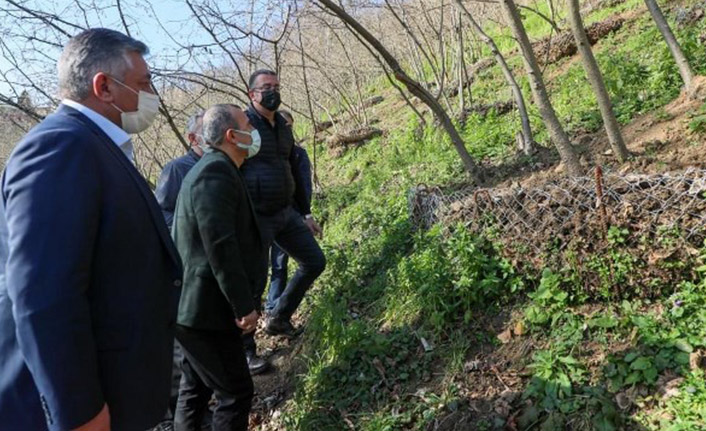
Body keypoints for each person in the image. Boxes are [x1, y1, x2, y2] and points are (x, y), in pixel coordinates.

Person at [0, 28, 182, 431]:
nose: (153, 95)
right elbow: (43, 294)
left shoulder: (98, 147)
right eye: (144, 83)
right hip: (91, 408)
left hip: (121, 389)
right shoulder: (59, 147)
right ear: (104, 87)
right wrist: (78, 411)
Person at [172, 104, 263, 431]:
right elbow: (220, 245)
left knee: (194, 388)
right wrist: (243, 305)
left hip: (193, 311)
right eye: (246, 125)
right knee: (235, 393)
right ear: (231, 135)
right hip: (205, 312)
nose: (252, 130)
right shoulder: (214, 172)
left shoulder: (218, 168)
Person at [241, 69, 325, 374]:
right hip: (255, 217)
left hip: (286, 213)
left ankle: (278, 317)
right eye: (266, 87)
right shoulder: (244, 126)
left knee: (314, 261)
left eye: (276, 86)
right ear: (252, 94)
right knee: (253, 284)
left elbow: (294, 170)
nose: (273, 91)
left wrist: (305, 212)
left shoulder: (283, 128)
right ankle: (246, 351)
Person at [154, 111, 205, 431]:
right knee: (184, 349)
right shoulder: (176, 170)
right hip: (184, 270)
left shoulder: (224, 164)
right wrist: (192, 229)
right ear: (192, 138)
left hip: (213, 269)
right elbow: (163, 216)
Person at [264, 110, 313, 317]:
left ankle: (279, 308)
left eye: (289, 126)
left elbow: (304, 185)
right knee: (278, 264)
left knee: (306, 261)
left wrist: (304, 213)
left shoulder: (298, 154)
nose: (287, 130)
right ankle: (272, 306)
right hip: (271, 216)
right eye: (283, 125)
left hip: (293, 216)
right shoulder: (266, 155)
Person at [156, 112, 205, 229]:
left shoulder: (230, 163)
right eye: (208, 130)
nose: (215, 134)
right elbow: (161, 213)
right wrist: (195, 225)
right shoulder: (177, 168)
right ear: (193, 138)